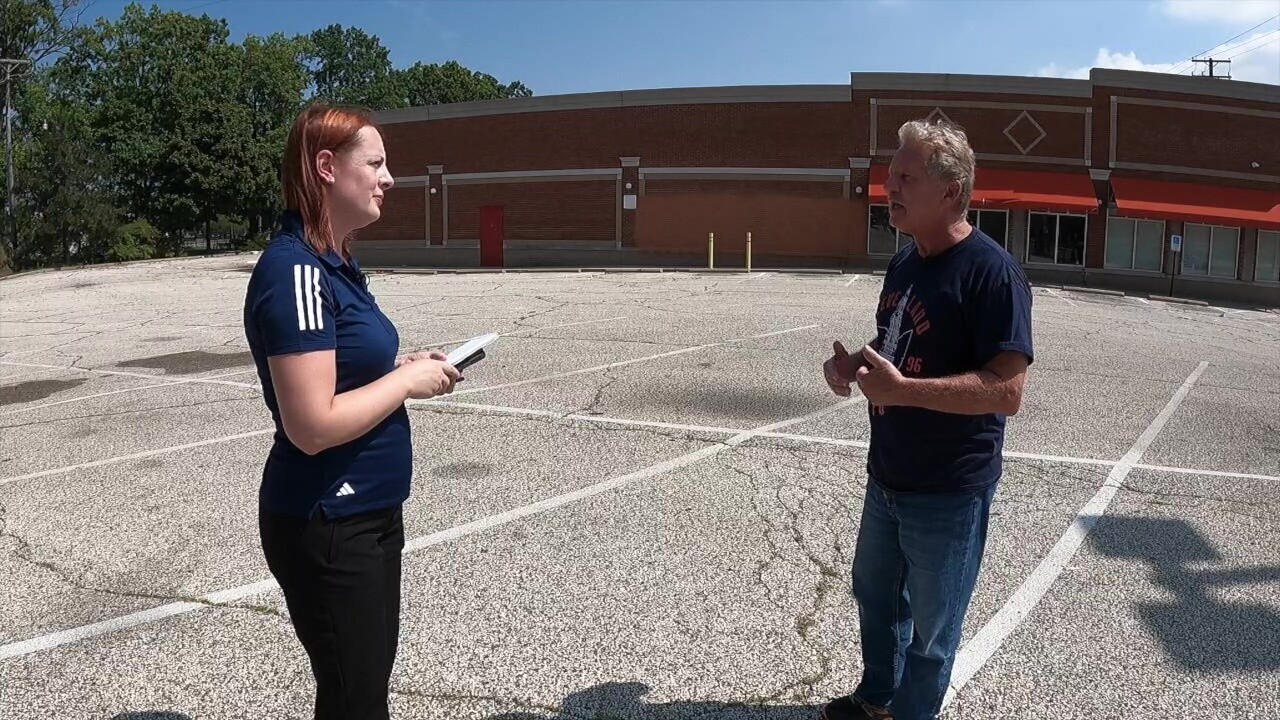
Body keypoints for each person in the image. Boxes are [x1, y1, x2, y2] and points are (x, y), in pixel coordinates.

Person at [243, 103, 461, 720]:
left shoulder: (335, 263)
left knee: (360, 692)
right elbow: (311, 425)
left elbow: (341, 374)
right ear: (326, 168)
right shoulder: (296, 270)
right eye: (376, 162)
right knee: (353, 698)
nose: (390, 177)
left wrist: (398, 368)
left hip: (363, 513)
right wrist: (407, 384)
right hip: (329, 519)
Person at [820, 119, 1034, 720]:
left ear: (951, 191)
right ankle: (877, 698)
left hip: (947, 490)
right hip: (887, 474)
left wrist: (905, 390)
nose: (890, 187)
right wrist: (854, 366)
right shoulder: (905, 263)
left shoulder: (993, 273)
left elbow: (1007, 390)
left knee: (934, 632)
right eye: (891, 176)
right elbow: (896, 341)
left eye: (906, 177)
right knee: (876, 596)